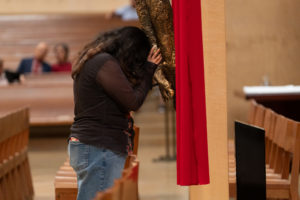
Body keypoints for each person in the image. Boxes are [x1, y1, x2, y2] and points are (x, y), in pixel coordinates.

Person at [69, 26, 162, 200]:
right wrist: (149, 70)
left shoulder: (98, 60)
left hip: (94, 145)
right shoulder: (104, 63)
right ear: (130, 51)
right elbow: (133, 101)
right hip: (98, 146)